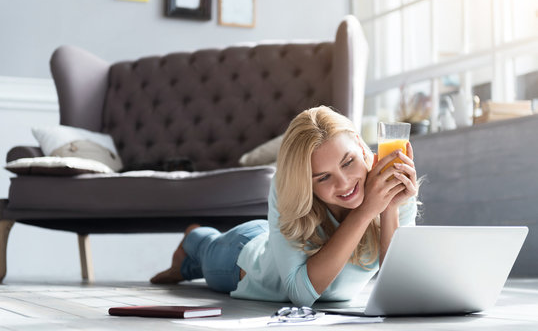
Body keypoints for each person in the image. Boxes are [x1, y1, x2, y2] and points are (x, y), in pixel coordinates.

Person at [150, 106, 419, 307]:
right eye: (323, 177)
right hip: (242, 261)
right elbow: (300, 294)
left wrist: (388, 207)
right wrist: (365, 211)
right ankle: (194, 238)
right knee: (205, 252)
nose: (345, 182)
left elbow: (398, 287)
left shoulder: (391, 180)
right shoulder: (286, 185)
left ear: (361, 146)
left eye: (348, 162)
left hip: (276, 237)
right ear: (306, 182)